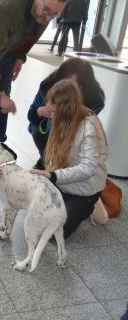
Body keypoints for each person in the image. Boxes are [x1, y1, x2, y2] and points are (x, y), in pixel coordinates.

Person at [0, 0, 71, 141]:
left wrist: (20, 56)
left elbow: (33, 34)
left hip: (9, 45)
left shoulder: (46, 11)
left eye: (55, 14)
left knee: (3, 93)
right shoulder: (9, 3)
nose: (48, 18)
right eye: (46, 10)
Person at [30, 79, 107, 239]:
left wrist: (53, 176)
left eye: (52, 112)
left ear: (66, 110)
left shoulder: (89, 127)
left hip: (84, 190)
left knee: (54, 234)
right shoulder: (61, 120)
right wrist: (36, 172)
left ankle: (92, 203)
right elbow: (49, 155)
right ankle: (73, 206)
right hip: (61, 182)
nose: (49, 115)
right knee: (35, 218)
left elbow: (88, 168)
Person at [27, 57, 105, 169]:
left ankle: (53, 165)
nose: (65, 88)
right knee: (39, 132)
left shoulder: (95, 99)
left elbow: (83, 128)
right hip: (48, 132)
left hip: (73, 133)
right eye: (62, 82)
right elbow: (32, 115)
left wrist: (67, 116)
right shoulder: (47, 86)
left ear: (83, 86)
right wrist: (39, 112)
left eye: (72, 86)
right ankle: (46, 161)